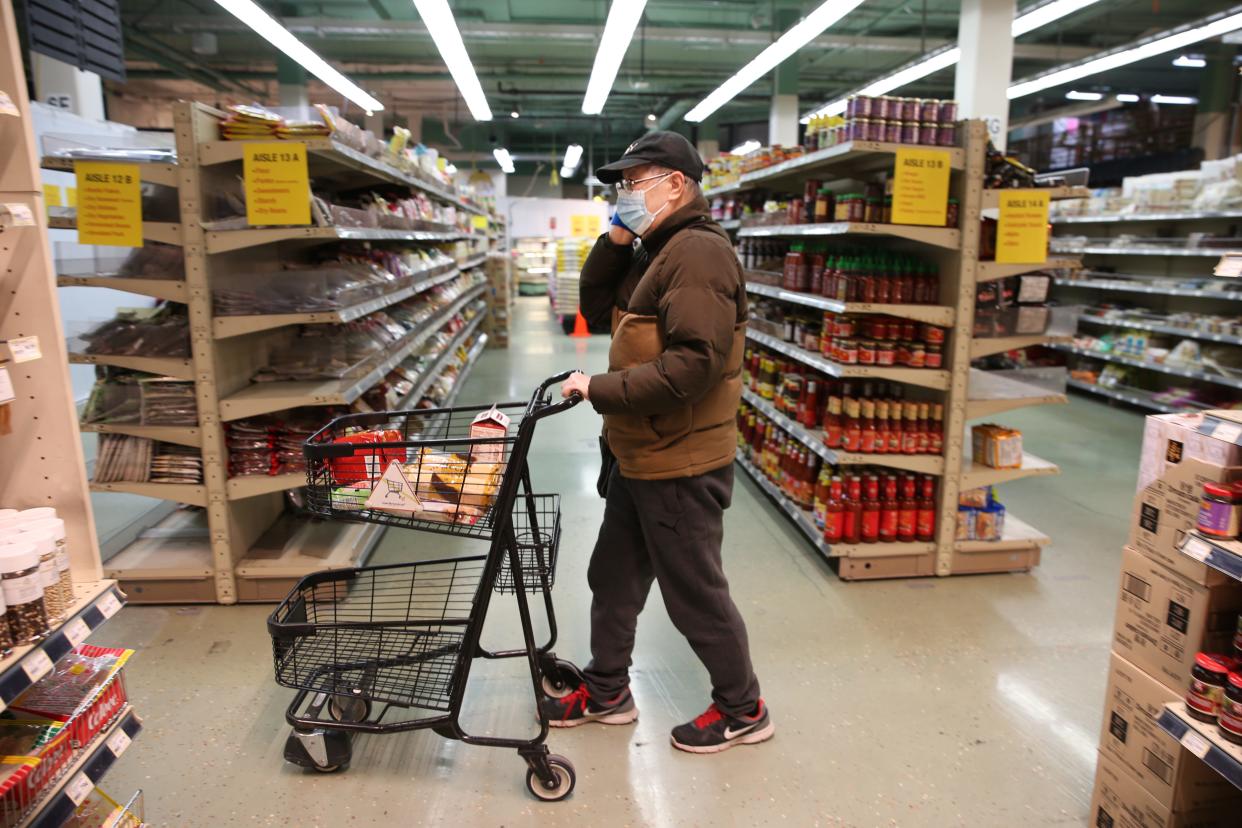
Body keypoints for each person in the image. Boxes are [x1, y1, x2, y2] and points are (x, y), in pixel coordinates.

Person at [542, 131, 772, 754]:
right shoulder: (656, 247)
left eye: (635, 182)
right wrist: (618, 236)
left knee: (694, 591)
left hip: (681, 458)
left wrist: (601, 389)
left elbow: (694, 365)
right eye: (621, 185)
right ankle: (608, 688)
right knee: (613, 576)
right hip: (641, 451)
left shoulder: (697, 255)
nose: (625, 193)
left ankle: (743, 708)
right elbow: (594, 303)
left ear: (676, 185)